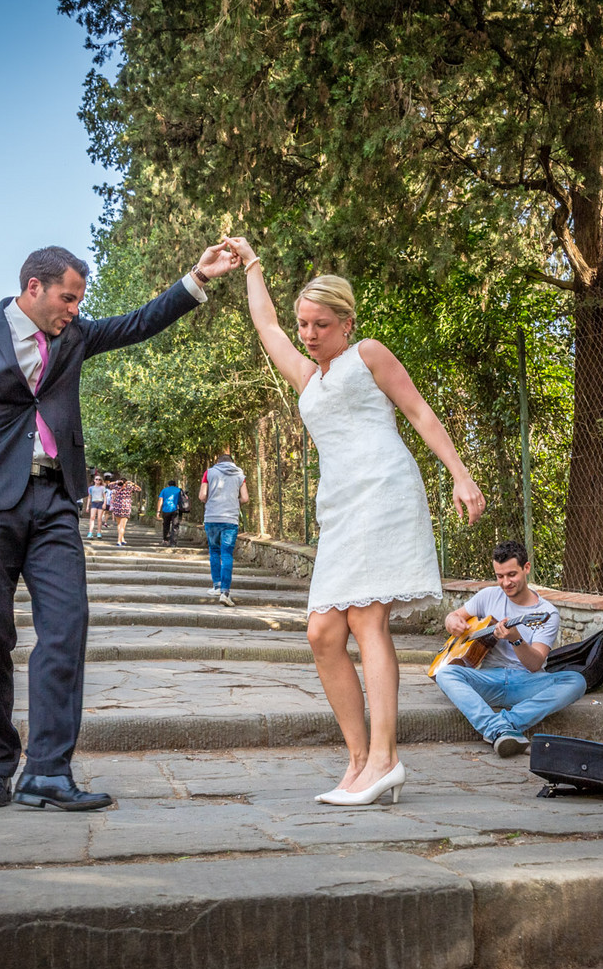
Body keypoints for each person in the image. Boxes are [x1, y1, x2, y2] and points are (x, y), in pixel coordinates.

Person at [0, 243, 238, 812]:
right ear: (33, 288)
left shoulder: (75, 336)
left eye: (79, 300)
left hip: (56, 499)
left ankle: (48, 772)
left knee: (66, 626)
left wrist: (196, 279)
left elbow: (138, 323)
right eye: (68, 297)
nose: (75, 310)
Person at [225, 235, 485, 807]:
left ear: (345, 323)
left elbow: (419, 411)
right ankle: (359, 758)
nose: (309, 334)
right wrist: (252, 265)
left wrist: (461, 476)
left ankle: (386, 760)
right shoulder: (306, 378)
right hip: (339, 506)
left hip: (384, 491)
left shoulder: (368, 353)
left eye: (320, 324)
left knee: (368, 622)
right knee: (322, 633)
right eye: (304, 324)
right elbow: (266, 327)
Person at [434, 541, 588, 756]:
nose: (505, 582)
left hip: (526, 682)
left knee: (576, 682)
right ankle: (498, 728)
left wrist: (516, 640)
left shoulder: (546, 613)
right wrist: (451, 621)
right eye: (500, 576)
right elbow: (455, 616)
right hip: (489, 679)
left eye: (512, 575)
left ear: (526, 568)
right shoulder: (488, 596)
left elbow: (535, 664)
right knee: (446, 673)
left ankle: (502, 724)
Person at [198, 448, 249, 606]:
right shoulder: (240, 475)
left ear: (217, 463)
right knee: (227, 554)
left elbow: (202, 496)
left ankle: (216, 586)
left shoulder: (209, 473)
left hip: (212, 517)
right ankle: (225, 592)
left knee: (214, 550)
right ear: (232, 463)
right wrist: (234, 503)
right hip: (230, 519)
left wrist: (213, 503)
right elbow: (245, 498)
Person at [107, 473, 141, 546]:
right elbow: (139, 489)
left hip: (117, 506)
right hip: (126, 507)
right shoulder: (129, 487)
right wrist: (132, 483)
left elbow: (109, 485)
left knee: (119, 525)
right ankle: (119, 541)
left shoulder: (116, 486)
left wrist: (116, 482)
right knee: (122, 526)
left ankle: (122, 539)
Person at [157, 479, 183, 545]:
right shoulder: (179, 490)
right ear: (175, 485)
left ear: (168, 485)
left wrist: (158, 511)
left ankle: (166, 540)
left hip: (166, 510)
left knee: (166, 525)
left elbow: (160, 500)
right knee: (175, 526)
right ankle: (173, 542)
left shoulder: (164, 490)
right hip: (176, 510)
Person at [85, 474, 109, 539]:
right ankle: (90, 532)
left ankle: (99, 532)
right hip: (94, 503)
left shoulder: (103, 488)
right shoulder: (91, 488)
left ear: (101, 481)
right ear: (94, 480)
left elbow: (105, 496)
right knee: (92, 517)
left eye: (99, 479)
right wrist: (87, 506)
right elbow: (89, 497)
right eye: (96, 479)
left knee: (99, 518)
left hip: (100, 503)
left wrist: (104, 503)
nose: (98, 480)